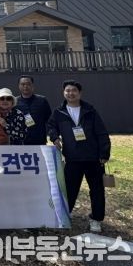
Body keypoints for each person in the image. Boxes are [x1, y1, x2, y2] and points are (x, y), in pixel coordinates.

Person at [48, 80, 111, 233]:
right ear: (64, 93)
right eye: (67, 91)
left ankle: (96, 219)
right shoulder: (59, 112)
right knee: (69, 189)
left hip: (93, 158)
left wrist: (104, 153)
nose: (71, 93)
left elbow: (102, 132)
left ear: (80, 93)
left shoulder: (90, 111)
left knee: (97, 190)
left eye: (74, 90)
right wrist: (55, 138)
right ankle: (65, 215)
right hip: (72, 157)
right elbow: (51, 126)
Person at [16, 75, 52, 145]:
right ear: (19, 86)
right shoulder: (14, 102)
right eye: (23, 84)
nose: (25, 86)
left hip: (39, 141)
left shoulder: (42, 100)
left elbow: (49, 120)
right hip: (21, 142)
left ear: (32, 85)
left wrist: (53, 136)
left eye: (28, 84)